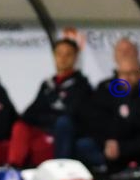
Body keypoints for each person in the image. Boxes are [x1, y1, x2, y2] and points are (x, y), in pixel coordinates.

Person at [7, 39, 91, 168]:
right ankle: (14, 168)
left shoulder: (82, 85)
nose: (63, 59)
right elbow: (30, 113)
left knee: (62, 124)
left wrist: (46, 117)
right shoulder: (47, 85)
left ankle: (61, 170)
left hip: (62, 136)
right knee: (20, 126)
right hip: (44, 131)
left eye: (68, 54)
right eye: (59, 54)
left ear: (75, 58)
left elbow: (71, 116)